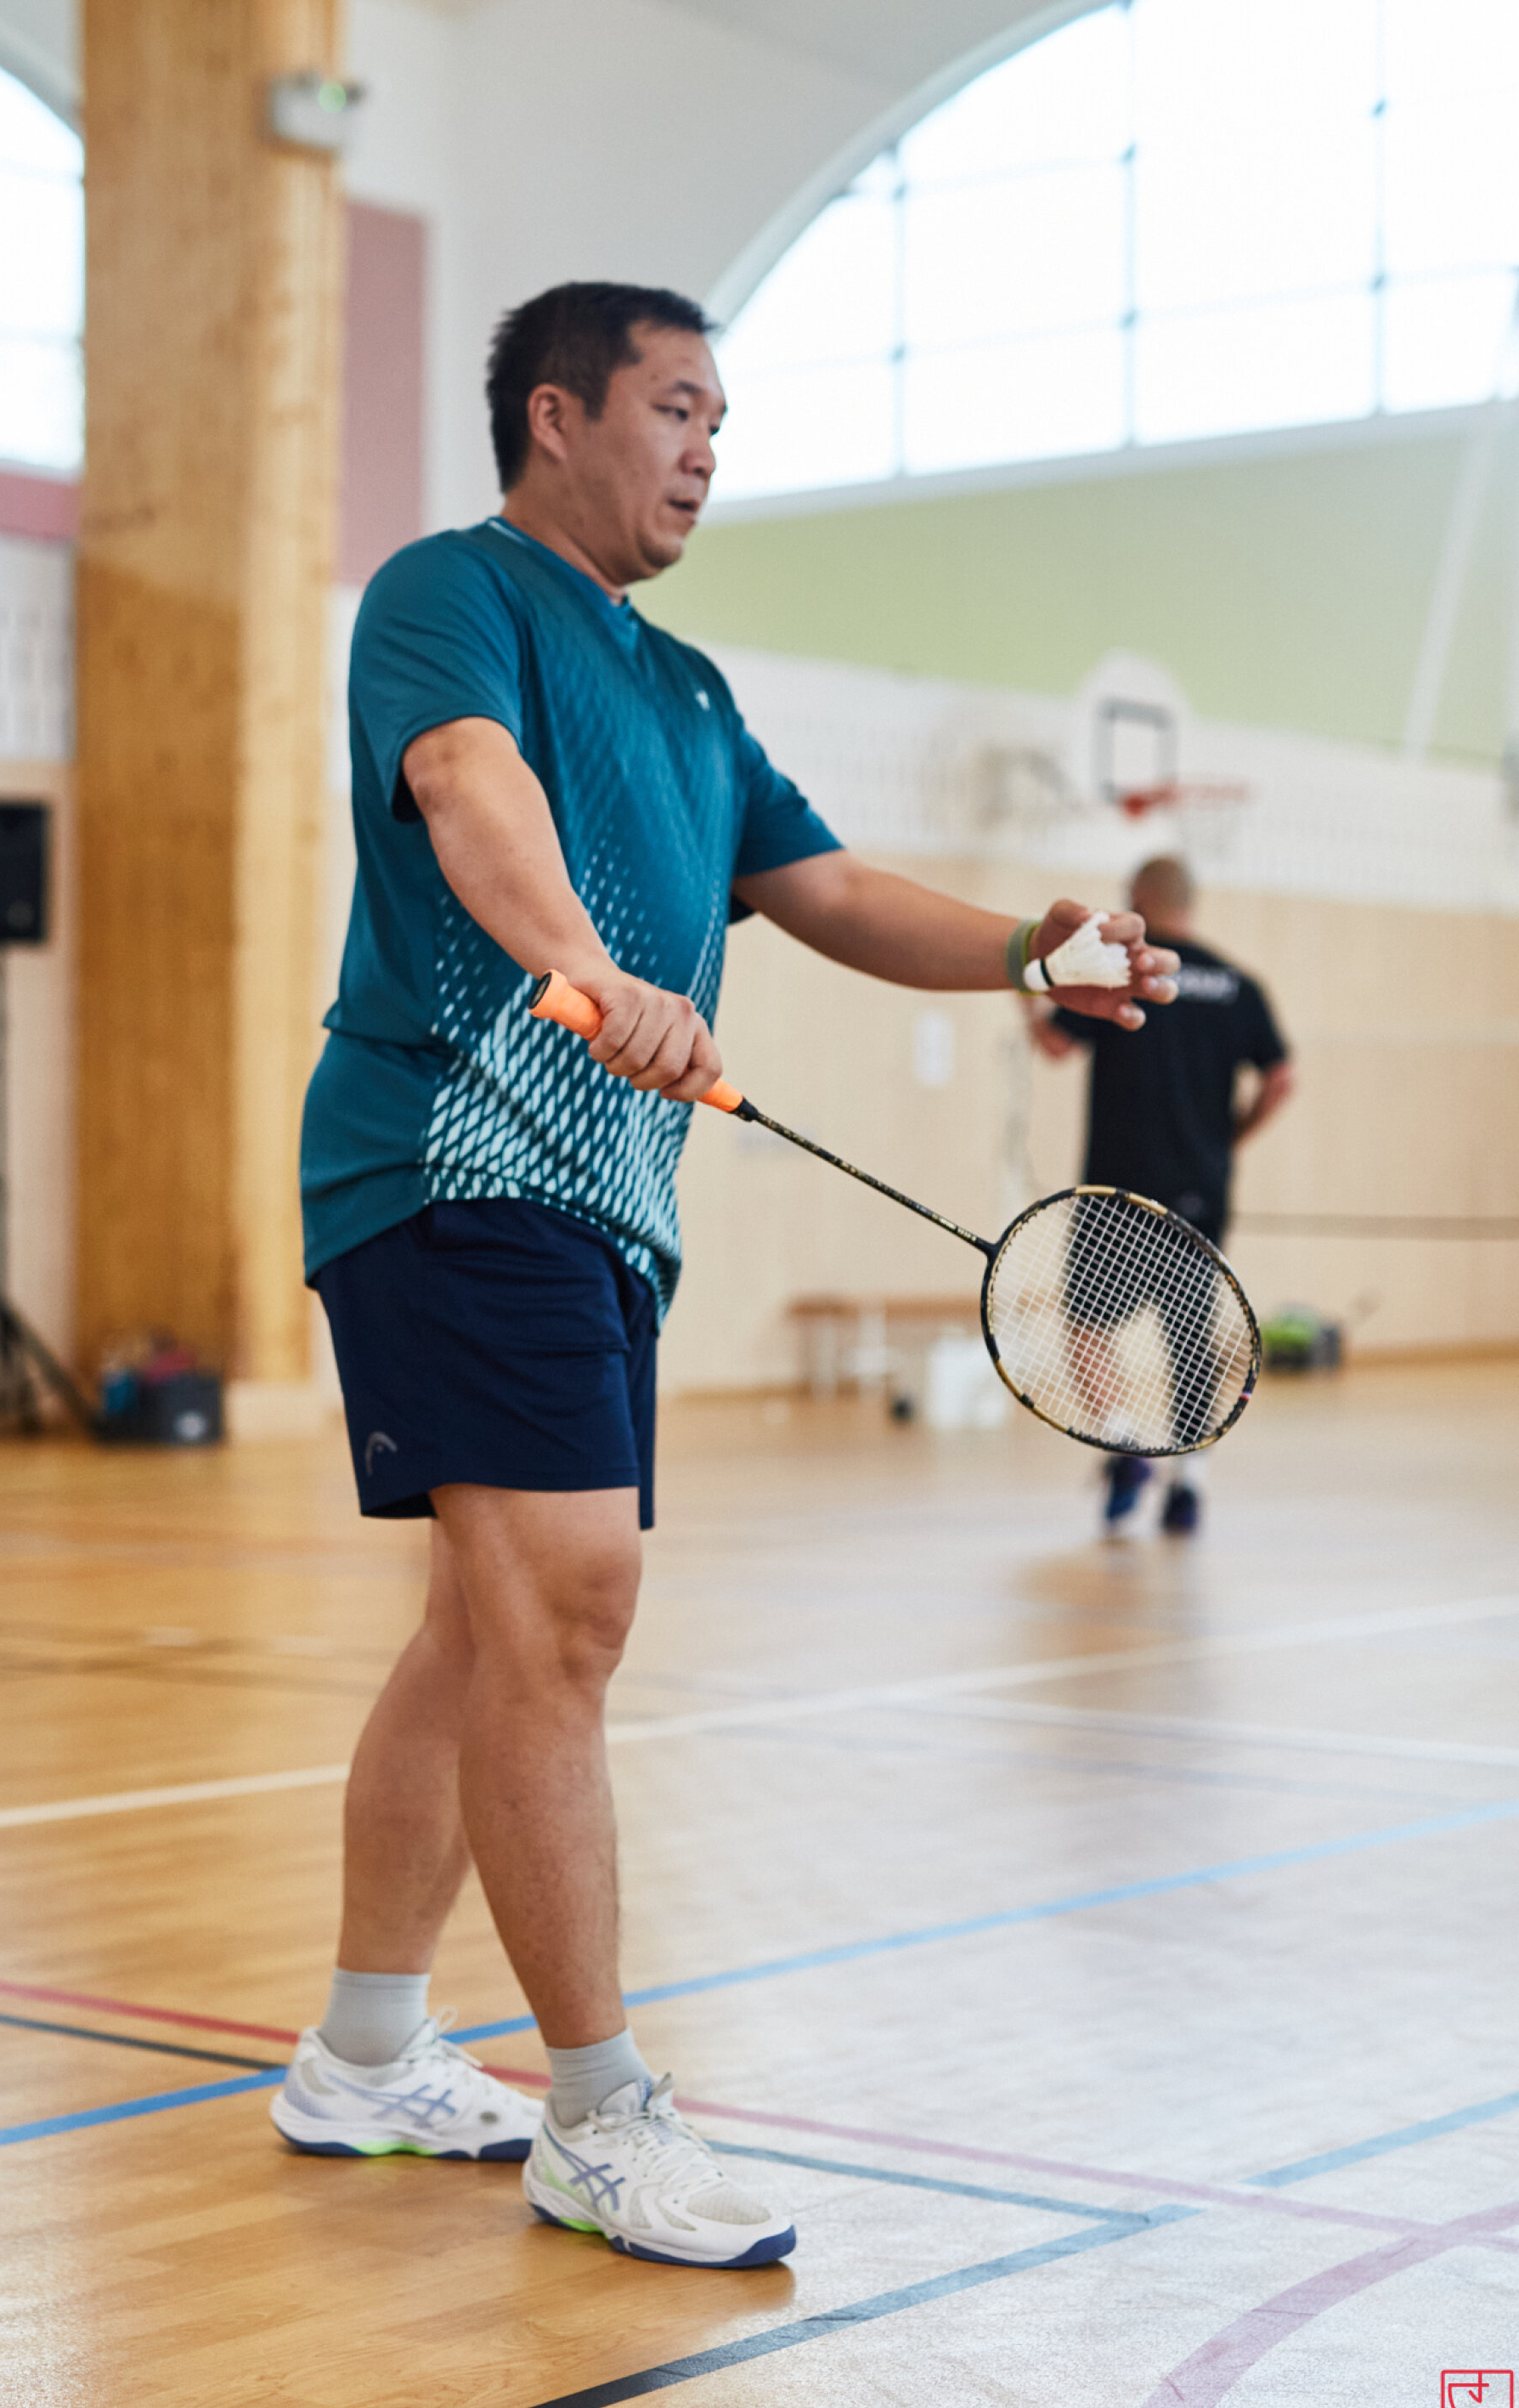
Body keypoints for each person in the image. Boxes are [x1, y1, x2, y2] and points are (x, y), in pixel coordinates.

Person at [274, 280, 1177, 2270]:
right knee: (570, 1610)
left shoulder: (682, 686)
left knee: (486, 1628)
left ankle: (365, 2052)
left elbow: (826, 886)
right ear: (555, 415)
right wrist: (589, 968)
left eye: (721, 421)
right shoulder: (452, 592)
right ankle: (599, 2113)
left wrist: (1028, 949)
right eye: (676, 407)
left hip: (602, 1199)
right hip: (456, 1152)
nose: (705, 450)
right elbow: (469, 788)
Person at [1027, 853, 1294, 1536]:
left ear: (1142, 898)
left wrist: (1024, 984)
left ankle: (1125, 1445)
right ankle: (1189, 1484)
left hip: (1116, 1188)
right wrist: (1231, 1140)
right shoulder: (1237, 984)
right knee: (1191, 1337)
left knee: (1087, 1324)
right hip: (1201, 1189)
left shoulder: (1126, 973)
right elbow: (1281, 1078)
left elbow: (1053, 1043)